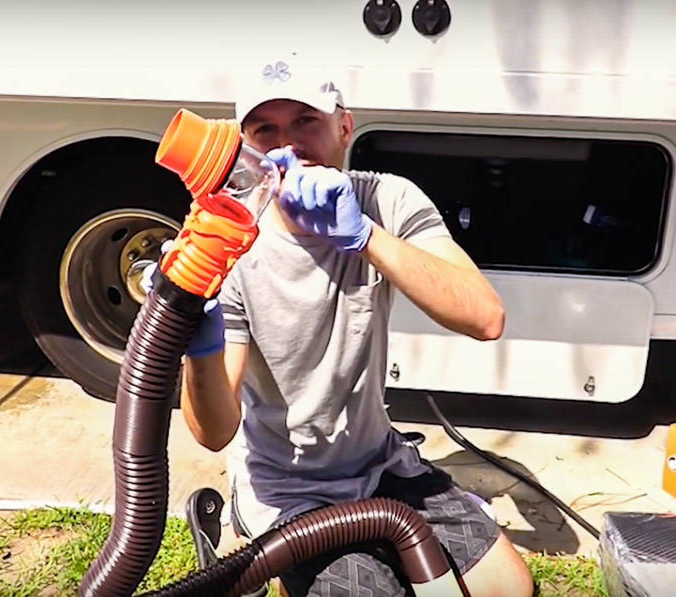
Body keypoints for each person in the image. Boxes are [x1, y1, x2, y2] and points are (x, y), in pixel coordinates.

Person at [174, 56, 534, 597]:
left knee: (509, 589)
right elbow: (213, 432)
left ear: (345, 127)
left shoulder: (385, 200)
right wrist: (198, 348)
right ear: (247, 150)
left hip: (378, 459)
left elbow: (485, 317)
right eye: (265, 130)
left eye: (305, 122)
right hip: (286, 485)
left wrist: (364, 235)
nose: (287, 146)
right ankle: (246, 531)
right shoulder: (233, 240)